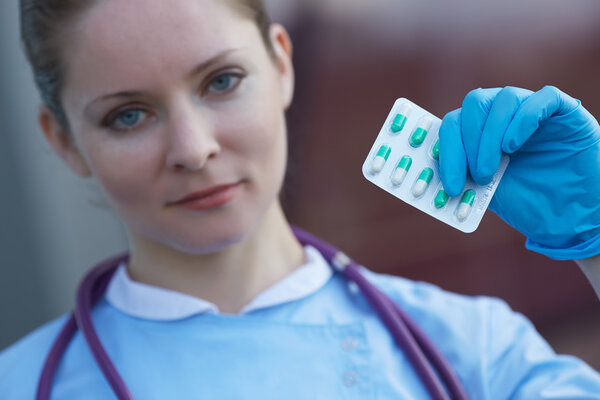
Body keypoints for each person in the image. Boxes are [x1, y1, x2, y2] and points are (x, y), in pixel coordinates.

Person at [2, 0, 600, 398]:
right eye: (128, 115)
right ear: (64, 141)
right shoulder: (25, 385)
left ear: (282, 65)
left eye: (221, 81)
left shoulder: (472, 348)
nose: (193, 148)